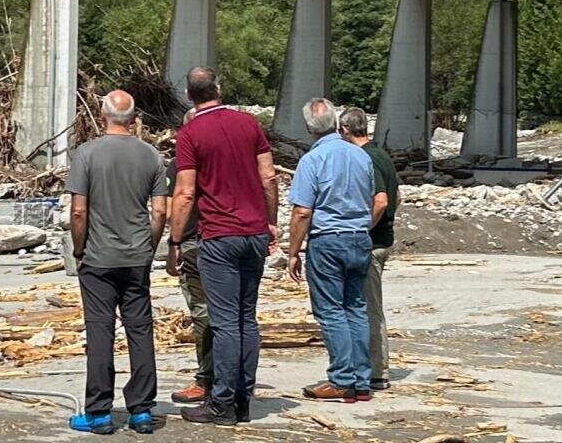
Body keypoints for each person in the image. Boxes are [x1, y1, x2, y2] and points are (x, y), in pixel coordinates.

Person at [169, 67, 277, 426]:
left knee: (225, 322)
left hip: (219, 235)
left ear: (189, 96)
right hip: (253, 231)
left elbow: (185, 192)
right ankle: (243, 398)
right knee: (247, 318)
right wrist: (270, 220)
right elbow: (268, 176)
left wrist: (174, 240)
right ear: (218, 88)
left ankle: (223, 402)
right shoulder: (248, 123)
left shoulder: (190, 133)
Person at [67, 90, 168, 435]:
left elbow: (78, 210)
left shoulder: (87, 153)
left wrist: (78, 249)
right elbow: (160, 211)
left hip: (98, 257)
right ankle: (142, 410)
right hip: (136, 256)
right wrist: (148, 246)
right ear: (134, 118)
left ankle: (99, 412)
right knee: (140, 330)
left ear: (102, 116)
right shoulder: (151, 155)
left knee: (100, 331)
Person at [285, 98, 386, 403]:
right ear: (336, 123)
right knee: (355, 307)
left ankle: (342, 378)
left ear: (308, 128)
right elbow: (373, 197)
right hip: (359, 237)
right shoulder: (361, 156)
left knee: (330, 310)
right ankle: (361, 379)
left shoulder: (312, 160)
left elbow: (302, 211)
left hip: (328, 239)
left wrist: (293, 251)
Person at [339, 106, 399, 389]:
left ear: (345, 131)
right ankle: (365, 365)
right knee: (363, 306)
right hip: (382, 239)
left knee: (368, 308)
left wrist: (361, 230)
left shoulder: (366, 157)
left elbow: (382, 200)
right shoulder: (381, 154)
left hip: (371, 243)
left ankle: (377, 370)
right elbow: (397, 195)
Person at [166, 149, 213, 404]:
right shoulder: (234, 156)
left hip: (196, 241)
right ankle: (238, 379)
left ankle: (207, 380)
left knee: (203, 312)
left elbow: (178, 201)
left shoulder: (182, 162)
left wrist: (174, 242)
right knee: (238, 312)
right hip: (236, 237)